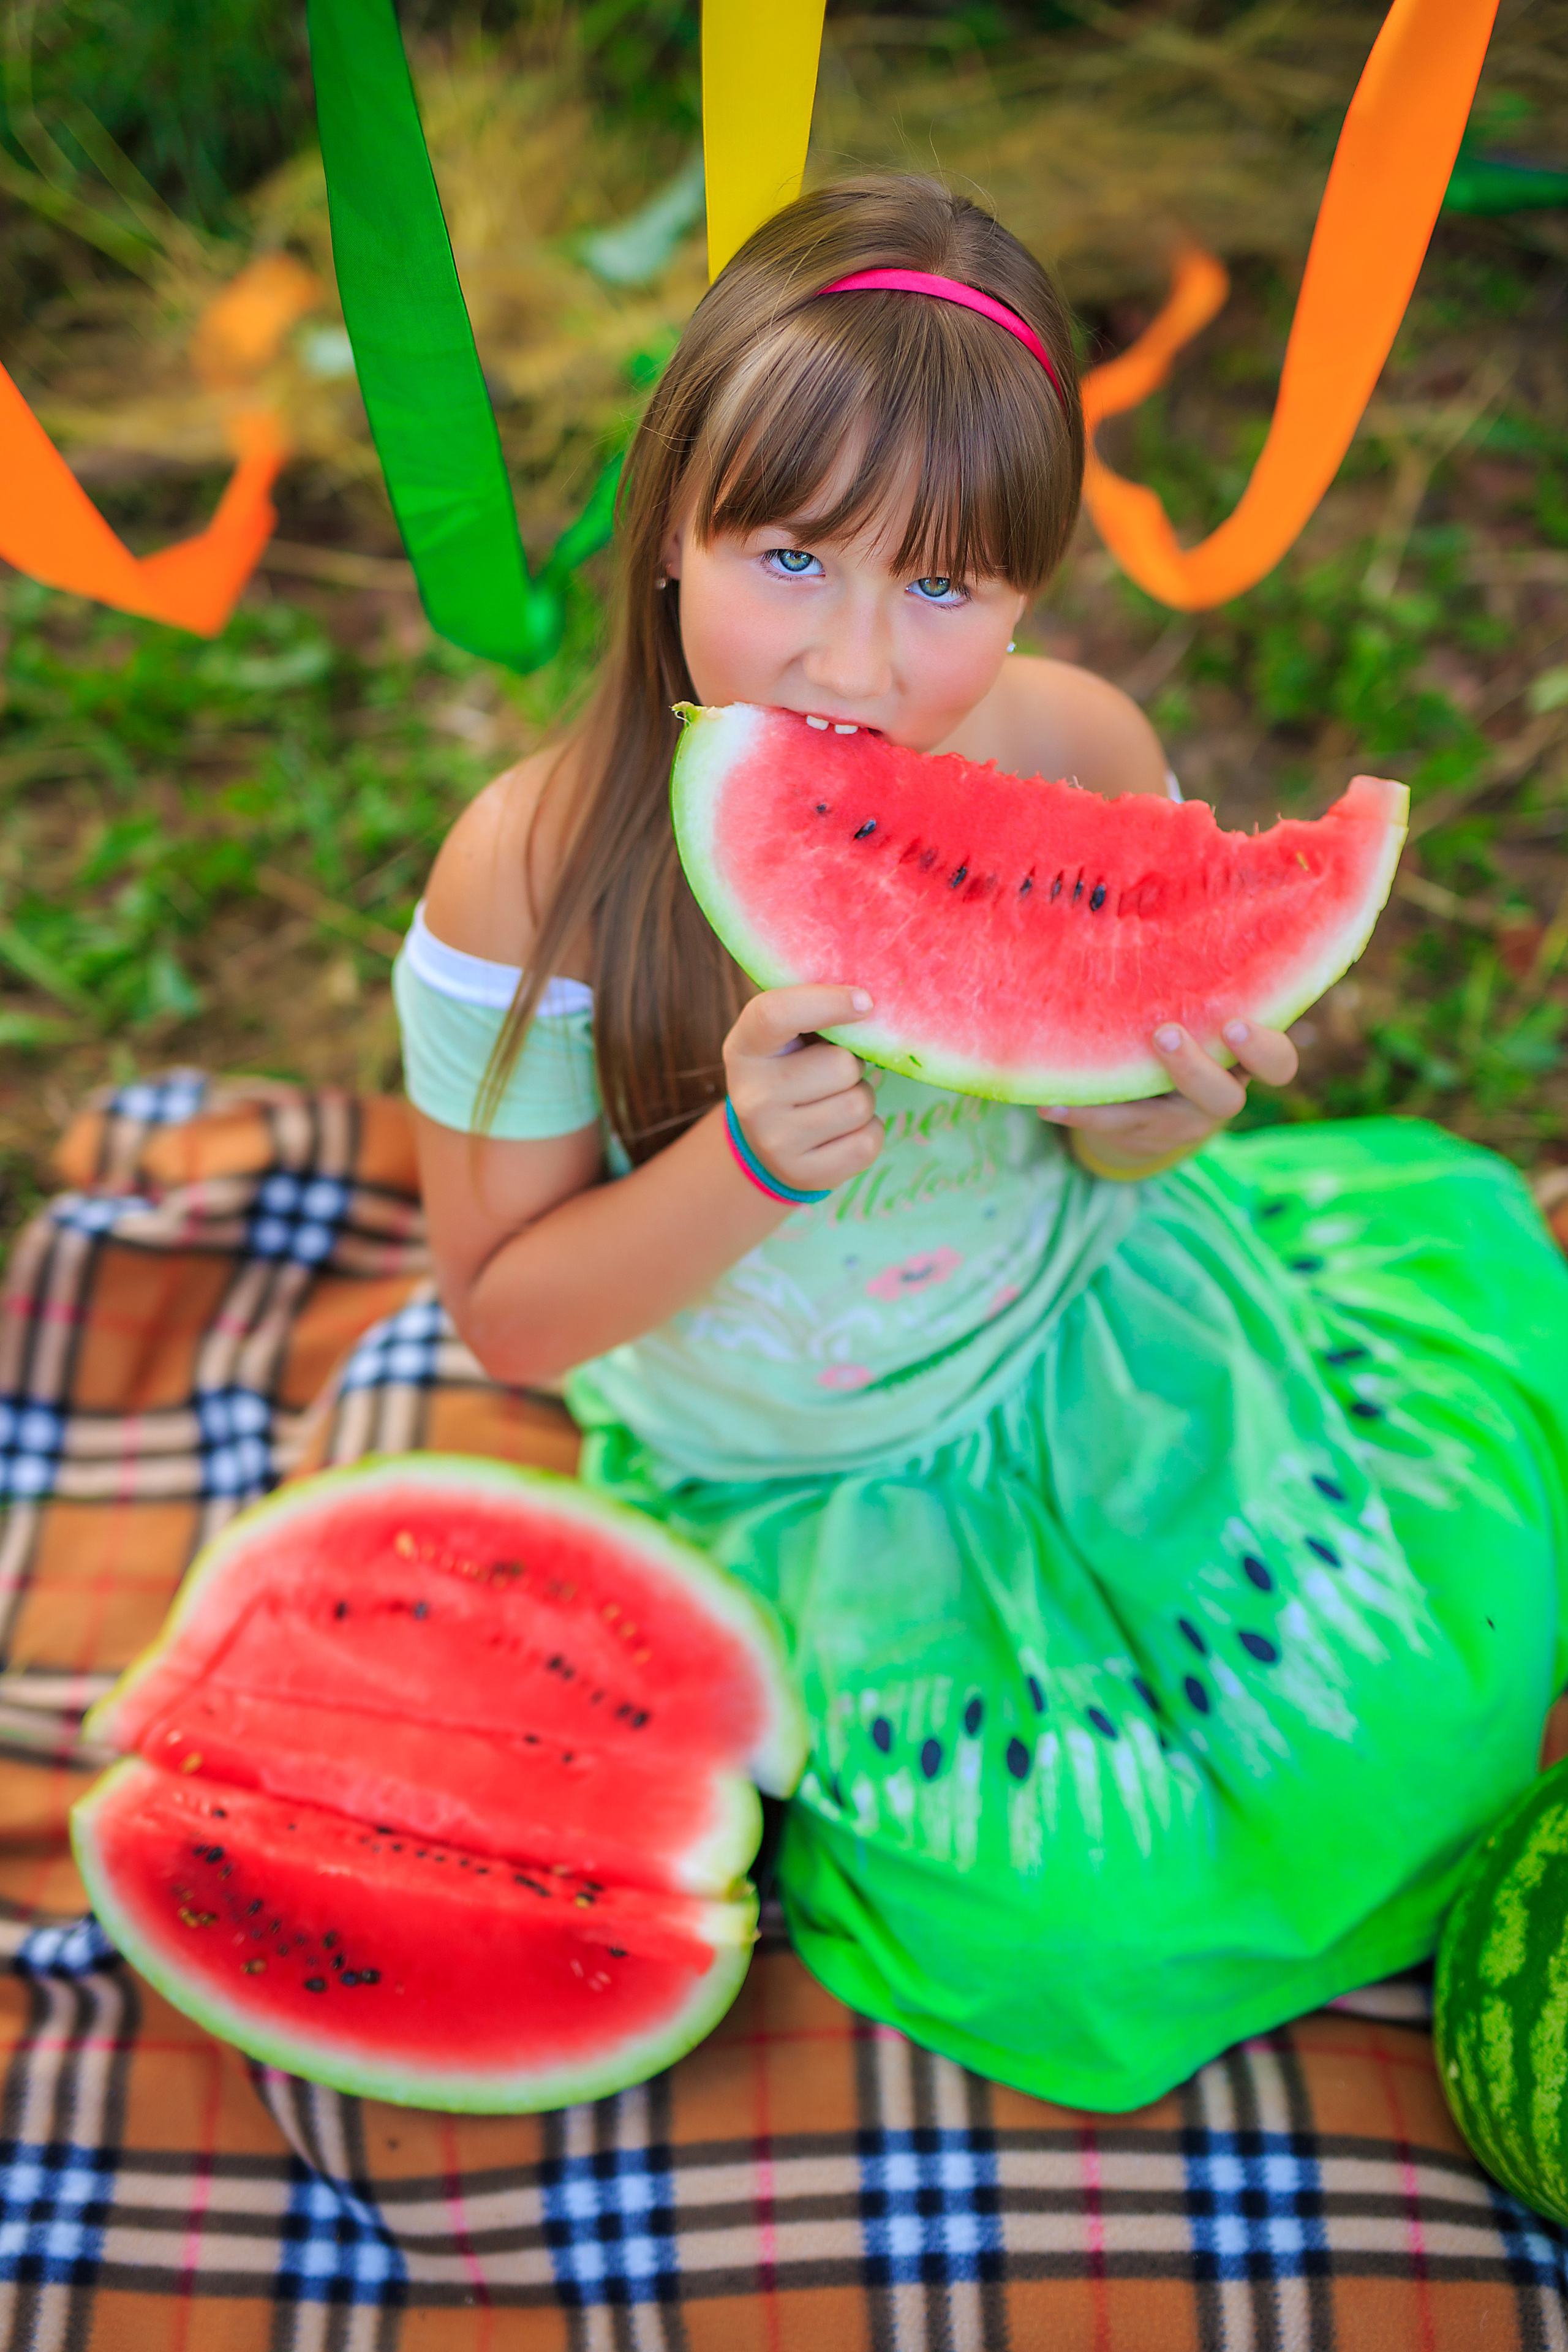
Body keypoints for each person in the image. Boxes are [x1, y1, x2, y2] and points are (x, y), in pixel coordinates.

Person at [393, 175, 1568, 2109]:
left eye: (943, 588)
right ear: (671, 520)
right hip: (807, 1469)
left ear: (1031, 588)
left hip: (1108, 1340)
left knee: (1434, 1708)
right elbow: (512, 1322)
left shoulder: (1075, 750)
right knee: (1078, 1922)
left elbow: (1104, 1157)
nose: (855, 664)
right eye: (791, 556)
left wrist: (1157, 1125)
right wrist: (745, 1166)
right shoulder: (527, 878)